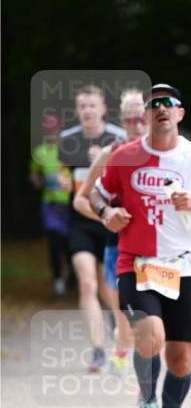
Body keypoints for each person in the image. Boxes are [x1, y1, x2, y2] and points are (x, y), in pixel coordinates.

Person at [90, 84, 191, 408]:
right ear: (146, 115)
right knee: (150, 335)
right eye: (155, 104)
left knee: (181, 357)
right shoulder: (125, 156)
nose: (162, 109)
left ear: (180, 114)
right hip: (137, 264)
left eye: (169, 104)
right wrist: (108, 214)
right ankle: (147, 403)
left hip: (184, 265)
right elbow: (95, 196)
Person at [74, 89, 147, 372]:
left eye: (141, 118)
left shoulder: (167, 153)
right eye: (130, 120)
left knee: (152, 323)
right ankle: (120, 345)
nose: (137, 124)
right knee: (126, 327)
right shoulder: (111, 153)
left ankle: (147, 390)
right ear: (123, 121)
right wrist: (106, 215)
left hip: (156, 250)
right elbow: (81, 198)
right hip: (117, 247)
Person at [59, 84, 126, 371]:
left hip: (109, 220)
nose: (87, 110)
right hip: (80, 221)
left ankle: (120, 339)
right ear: (77, 110)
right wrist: (62, 182)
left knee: (109, 290)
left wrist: (104, 161)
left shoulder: (117, 138)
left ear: (102, 109)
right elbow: (62, 174)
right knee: (87, 283)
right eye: (82, 106)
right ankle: (97, 350)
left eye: (92, 105)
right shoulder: (67, 139)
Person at [29, 114, 72, 297]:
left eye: (53, 128)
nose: (51, 131)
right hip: (50, 204)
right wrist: (38, 181)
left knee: (69, 245)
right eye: (47, 128)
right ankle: (57, 279)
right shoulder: (39, 152)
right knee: (54, 243)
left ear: (59, 129)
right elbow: (34, 176)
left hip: (69, 204)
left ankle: (72, 275)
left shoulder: (69, 151)